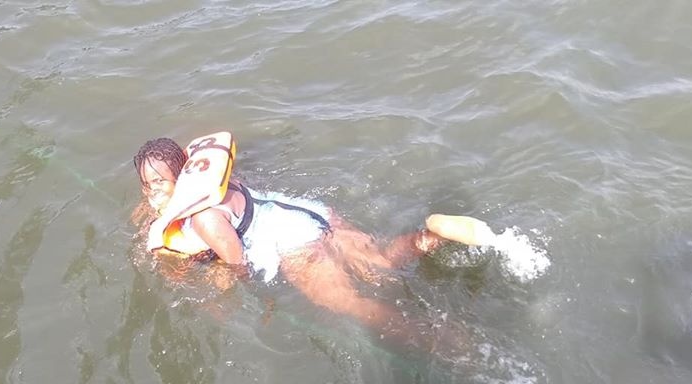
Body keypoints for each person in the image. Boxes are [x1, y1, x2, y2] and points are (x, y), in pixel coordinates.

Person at [132, 132, 498, 358]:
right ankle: (432, 234)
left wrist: (236, 300)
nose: (151, 192)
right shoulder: (217, 181)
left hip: (296, 246)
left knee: (353, 305)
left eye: (158, 183)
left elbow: (237, 265)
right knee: (384, 261)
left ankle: (446, 341)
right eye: (146, 185)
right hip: (313, 214)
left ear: (181, 176)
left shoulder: (204, 219)